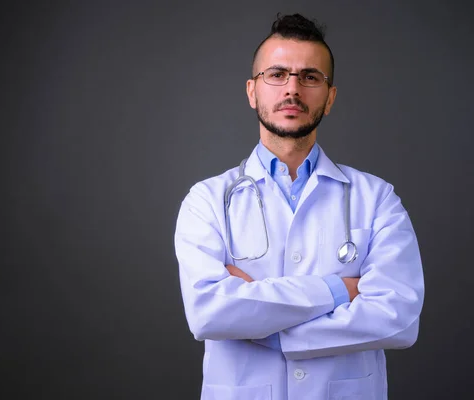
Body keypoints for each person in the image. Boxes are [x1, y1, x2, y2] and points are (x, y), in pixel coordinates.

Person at [174, 13, 424, 400]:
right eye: (276, 74)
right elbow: (209, 312)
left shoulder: (376, 199)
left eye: (310, 77)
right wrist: (339, 290)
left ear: (330, 97)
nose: (292, 89)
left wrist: (264, 325)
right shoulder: (206, 200)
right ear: (252, 91)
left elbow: (399, 319)